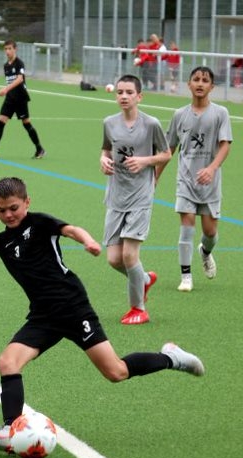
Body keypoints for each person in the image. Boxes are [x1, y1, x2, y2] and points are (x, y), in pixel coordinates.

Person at [0, 177, 204, 454]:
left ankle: (172, 357)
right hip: (42, 316)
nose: (8, 215)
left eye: (14, 208)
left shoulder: (40, 223)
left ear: (27, 202)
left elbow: (71, 230)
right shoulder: (3, 241)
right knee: (7, 362)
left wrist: (89, 242)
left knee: (115, 372)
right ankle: (10, 428)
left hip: (72, 308)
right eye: (2, 210)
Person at [100, 75, 170, 325]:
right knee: (114, 259)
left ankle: (138, 309)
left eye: (129, 92)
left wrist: (145, 161)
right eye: (120, 92)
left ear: (139, 96)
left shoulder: (151, 124)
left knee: (130, 255)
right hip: (116, 196)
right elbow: (106, 149)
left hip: (140, 196)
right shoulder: (109, 123)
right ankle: (144, 279)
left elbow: (166, 154)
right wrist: (103, 160)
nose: (124, 96)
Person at [156, 66, 233, 293]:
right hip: (186, 180)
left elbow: (225, 145)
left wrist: (212, 168)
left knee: (210, 232)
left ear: (212, 86)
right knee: (187, 224)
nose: (200, 83)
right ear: (189, 84)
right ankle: (186, 275)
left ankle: (205, 252)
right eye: (196, 79)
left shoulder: (220, 113)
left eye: (205, 80)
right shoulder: (179, 115)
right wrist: (155, 176)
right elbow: (169, 149)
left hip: (210, 183)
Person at [0, 40, 45, 160]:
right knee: (0, 121)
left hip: (20, 98)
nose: (7, 51)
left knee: (26, 123)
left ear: (15, 49)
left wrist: (5, 89)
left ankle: (39, 149)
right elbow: (10, 81)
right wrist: (8, 91)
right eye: (6, 49)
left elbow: (20, 79)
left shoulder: (19, 63)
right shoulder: (6, 65)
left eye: (10, 49)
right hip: (10, 98)